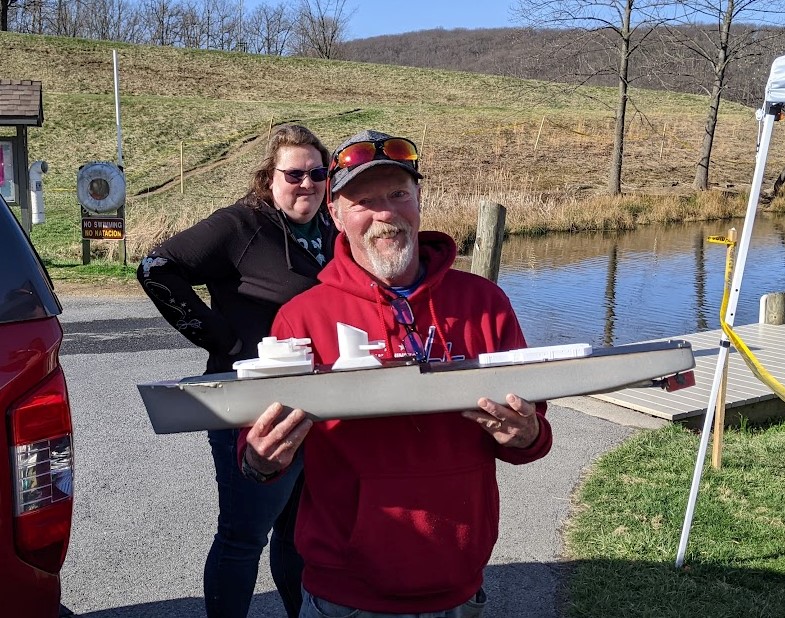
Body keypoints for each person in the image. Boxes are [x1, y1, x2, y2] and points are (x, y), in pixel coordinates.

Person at [239, 129, 553, 617]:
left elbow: (532, 436)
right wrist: (261, 460)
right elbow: (256, 455)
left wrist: (525, 435)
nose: (385, 213)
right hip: (344, 593)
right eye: (363, 200)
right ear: (336, 215)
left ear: (419, 201)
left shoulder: (484, 303)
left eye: (398, 194)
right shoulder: (300, 318)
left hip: (461, 584)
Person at [137, 124, 337, 618]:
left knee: (298, 536)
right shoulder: (240, 226)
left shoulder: (332, 232)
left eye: (318, 173)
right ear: (269, 177)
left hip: (319, 406)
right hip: (250, 408)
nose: (307, 183)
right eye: (294, 174)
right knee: (244, 536)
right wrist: (220, 338)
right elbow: (156, 267)